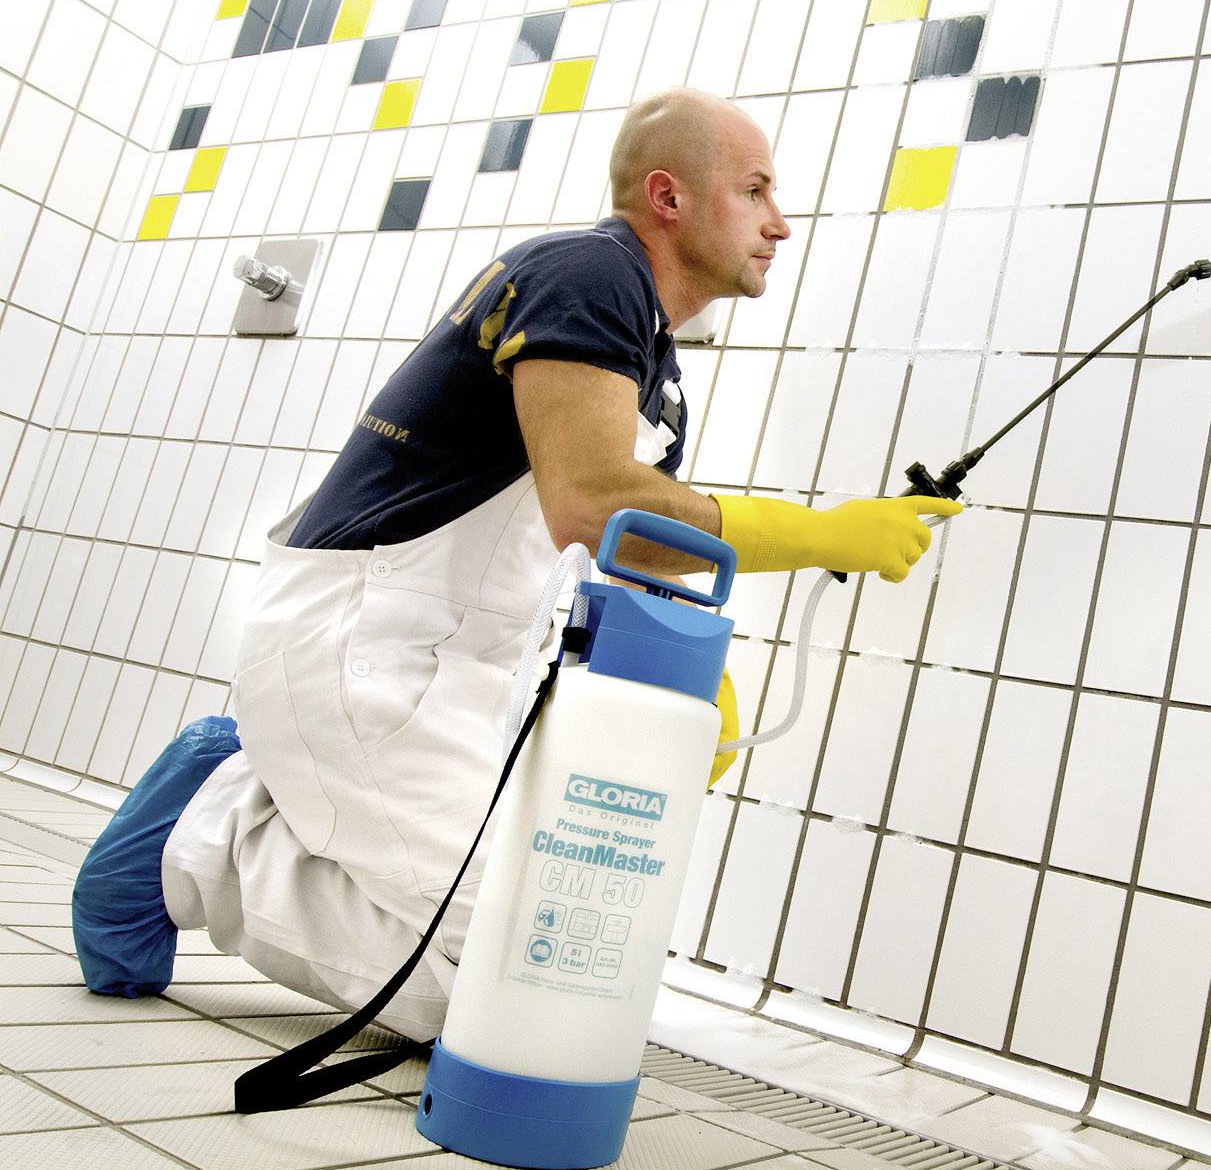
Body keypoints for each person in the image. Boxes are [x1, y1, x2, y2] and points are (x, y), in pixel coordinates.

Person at [71, 88, 961, 1038]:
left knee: (570, 937)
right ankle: (203, 839)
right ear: (668, 197)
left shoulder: (651, 366)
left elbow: (628, 545)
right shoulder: (588, 275)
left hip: (461, 669)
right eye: (755, 191)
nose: (779, 223)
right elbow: (595, 505)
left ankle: (255, 797)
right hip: (366, 648)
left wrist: (702, 690)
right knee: (521, 982)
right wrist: (821, 533)